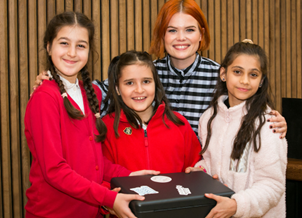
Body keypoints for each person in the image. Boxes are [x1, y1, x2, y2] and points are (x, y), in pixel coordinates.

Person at [33, 0, 288, 138]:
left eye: (189, 30)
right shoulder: (146, 74)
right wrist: (57, 83)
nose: (181, 38)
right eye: (172, 30)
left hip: (205, 174)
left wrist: (274, 121)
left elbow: (249, 106)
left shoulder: (219, 74)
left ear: (201, 34)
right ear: (161, 35)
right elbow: (99, 91)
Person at [24, 11, 159, 218]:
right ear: (49, 46)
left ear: (89, 51)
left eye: (81, 45)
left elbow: (93, 163)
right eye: (64, 43)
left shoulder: (92, 93)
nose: (72, 53)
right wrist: (108, 198)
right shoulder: (45, 98)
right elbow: (55, 170)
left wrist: (128, 176)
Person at [187, 40, 287, 218]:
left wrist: (236, 205)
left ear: (262, 80)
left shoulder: (269, 124)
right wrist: (200, 172)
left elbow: (273, 185)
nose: (244, 81)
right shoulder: (208, 117)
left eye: (253, 74)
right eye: (237, 72)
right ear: (223, 73)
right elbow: (211, 162)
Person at [102, 50, 201, 173]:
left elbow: (197, 166)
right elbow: (102, 176)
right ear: (117, 89)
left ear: (155, 83)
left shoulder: (179, 124)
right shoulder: (106, 128)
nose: (139, 90)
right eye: (129, 83)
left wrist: (199, 173)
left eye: (146, 81)